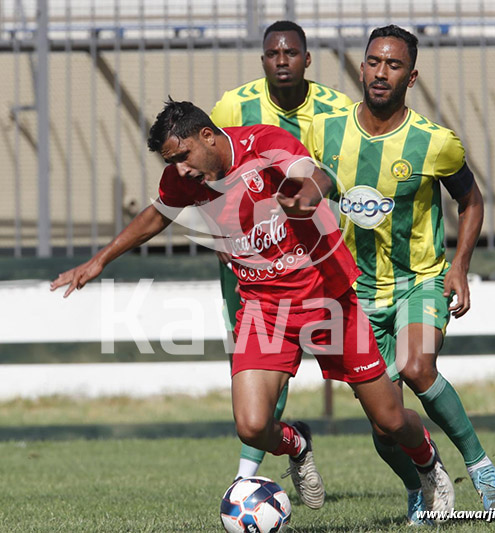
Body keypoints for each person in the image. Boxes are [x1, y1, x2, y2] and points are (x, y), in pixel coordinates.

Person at [51, 99, 455, 518]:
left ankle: (429, 464)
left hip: (327, 298)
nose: (181, 170)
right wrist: (100, 259)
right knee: (252, 425)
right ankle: (297, 444)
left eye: (183, 156)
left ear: (207, 136)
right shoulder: (186, 177)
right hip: (265, 309)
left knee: (390, 419)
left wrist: (309, 194)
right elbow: (157, 215)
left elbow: (316, 174)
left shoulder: (264, 144)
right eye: (171, 162)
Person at [305, 24, 495, 523]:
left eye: (393, 65)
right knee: (385, 423)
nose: (381, 72)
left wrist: (459, 266)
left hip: (419, 280)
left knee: (418, 366)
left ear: (411, 76)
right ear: (361, 68)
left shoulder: (434, 142)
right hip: (355, 291)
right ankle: (421, 483)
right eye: (374, 61)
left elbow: (471, 200)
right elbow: (314, 186)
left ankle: (483, 470)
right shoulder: (325, 130)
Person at [210, 19, 353, 490]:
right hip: (252, 260)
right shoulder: (234, 105)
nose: (282, 61)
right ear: (263, 59)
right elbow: (211, 171)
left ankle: (421, 464)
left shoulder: (337, 110)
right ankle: (247, 477)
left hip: (318, 260)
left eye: (291, 53)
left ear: (306, 59)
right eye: (273, 54)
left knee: (373, 383)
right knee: (264, 366)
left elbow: (342, 175)